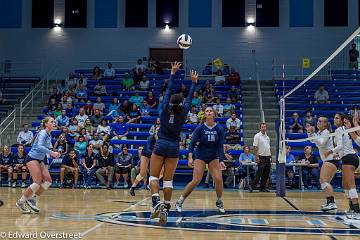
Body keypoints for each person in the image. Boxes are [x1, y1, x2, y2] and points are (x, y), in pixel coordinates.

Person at [149, 62, 198, 224]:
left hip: (161, 143)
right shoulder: (183, 113)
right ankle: (166, 208)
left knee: (153, 177)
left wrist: (172, 73)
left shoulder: (163, 109)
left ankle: (156, 202)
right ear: (181, 103)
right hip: (174, 147)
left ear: (170, 102)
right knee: (168, 181)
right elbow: (190, 99)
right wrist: (193, 83)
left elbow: (169, 90)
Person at [175, 107, 226, 213]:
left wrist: (221, 160)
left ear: (214, 114)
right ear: (205, 115)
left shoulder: (219, 129)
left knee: (218, 179)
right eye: (207, 111)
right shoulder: (200, 128)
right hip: (201, 155)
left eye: (211, 111)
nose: (209, 112)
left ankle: (219, 201)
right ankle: (179, 201)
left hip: (213, 156)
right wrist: (190, 157)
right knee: (196, 180)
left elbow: (220, 146)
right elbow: (192, 144)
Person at [16, 117, 61, 214]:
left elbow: (48, 150)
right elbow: (39, 147)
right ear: (46, 124)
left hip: (41, 159)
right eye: (51, 122)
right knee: (37, 182)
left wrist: (56, 153)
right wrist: (52, 153)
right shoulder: (43, 133)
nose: (54, 123)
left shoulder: (49, 134)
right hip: (32, 158)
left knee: (48, 181)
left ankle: (32, 199)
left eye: (54, 122)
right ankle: (21, 201)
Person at [306, 117, 338, 211]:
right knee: (324, 182)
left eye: (320, 121)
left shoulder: (326, 132)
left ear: (325, 124)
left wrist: (313, 134)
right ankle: (330, 202)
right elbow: (312, 140)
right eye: (318, 121)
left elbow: (321, 143)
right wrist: (310, 133)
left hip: (330, 159)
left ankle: (332, 203)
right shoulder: (320, 133)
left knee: (323, 180)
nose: (318, 122)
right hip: (328, 160)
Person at [333, 113, 360, 219]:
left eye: (337, 118)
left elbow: (340, 146)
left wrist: (329, 152)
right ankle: (351, 207)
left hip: (349, 158)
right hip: (348, 157)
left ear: (342, 120)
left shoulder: (340, 130)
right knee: (345, 185)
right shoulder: (345, 129)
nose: (334, 120)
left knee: (351, 185)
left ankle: (356, 209)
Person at [130, 125, 159, 196]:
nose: (158, 131)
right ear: (154, 131)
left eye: (160, 130)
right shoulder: (150, 138)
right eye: (157, 130)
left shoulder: (162, 139)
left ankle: (150, 184)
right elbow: (149, 149)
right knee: (142, 173)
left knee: (160, 173)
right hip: (146, 154)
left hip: (154, 155)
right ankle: (133, 187)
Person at [249, 123, 272, 192]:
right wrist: (256, 156)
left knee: (266, 173)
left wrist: (270, 156)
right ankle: (252, 187)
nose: (264, 128)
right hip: (261, 157)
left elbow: (269, 147)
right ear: (260, 128)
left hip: (267, 157)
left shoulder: (267, 137)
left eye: (265, 127)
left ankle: (262, 188)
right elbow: (255, 147)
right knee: (259, 173)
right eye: (262, 127)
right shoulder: (257, 136)